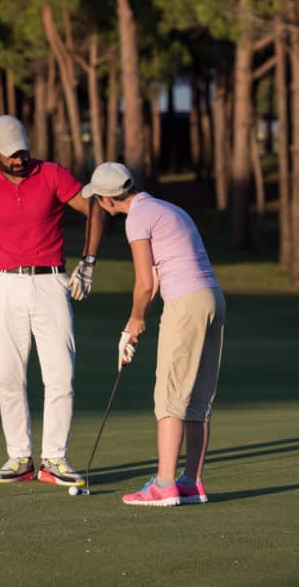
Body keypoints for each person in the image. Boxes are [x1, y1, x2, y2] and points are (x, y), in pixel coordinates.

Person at [0, 115, 104, 487]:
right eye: (10, 155)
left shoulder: (53, 174)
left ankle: (54, 460)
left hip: (51, 282)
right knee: (8, 375)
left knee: (61, 376)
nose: (19, 159)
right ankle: (19, 457)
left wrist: (87, 263)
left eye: (23, 151)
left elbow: (95, 209)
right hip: (5, 285)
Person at [82, 161, 225, 506]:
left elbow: (145, 283)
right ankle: (191, 482)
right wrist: (134, 326)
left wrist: (134, 319)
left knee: (170, 396)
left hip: (186, 303)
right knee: (197, 397)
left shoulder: (137, 218)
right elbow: (158, 276)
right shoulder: (167, 208)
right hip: (213, 299)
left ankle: (164, 484)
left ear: (106, 198)